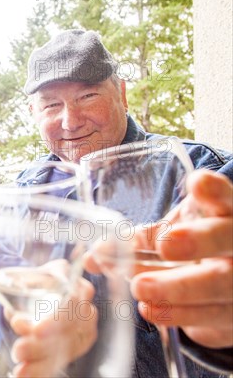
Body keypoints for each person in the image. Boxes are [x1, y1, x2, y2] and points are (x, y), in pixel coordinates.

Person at [18, 29, 233, 376]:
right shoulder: (22, 194)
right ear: (34, 112)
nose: (70, 121)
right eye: (51, 105)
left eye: (87, 96)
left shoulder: (200, 169)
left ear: (121, 93)